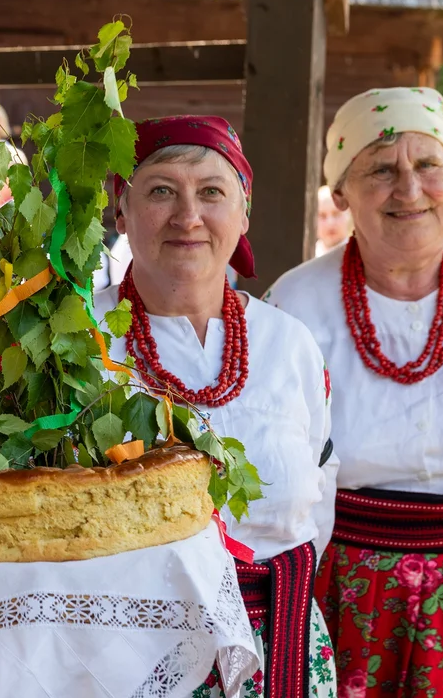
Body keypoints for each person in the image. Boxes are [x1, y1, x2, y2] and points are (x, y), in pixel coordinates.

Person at [98, 115, 338, 698]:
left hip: (280, 643)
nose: (188, 217)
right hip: (123, 654)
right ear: (120, 211)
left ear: (243, 213)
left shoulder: (288, 342)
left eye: (212, 192)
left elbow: (322, 478)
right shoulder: (80, 339)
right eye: (160, 191)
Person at [267, 87, 443, 696]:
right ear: (341, 192)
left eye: (428, 166)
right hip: (340, 594)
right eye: (381, 170)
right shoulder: (294, 305)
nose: (409, 189)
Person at [315, 184, 352, 257]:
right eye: (322, 216)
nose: (330, 223)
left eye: (336, 214)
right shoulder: (308, 257)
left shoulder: (358, 255)